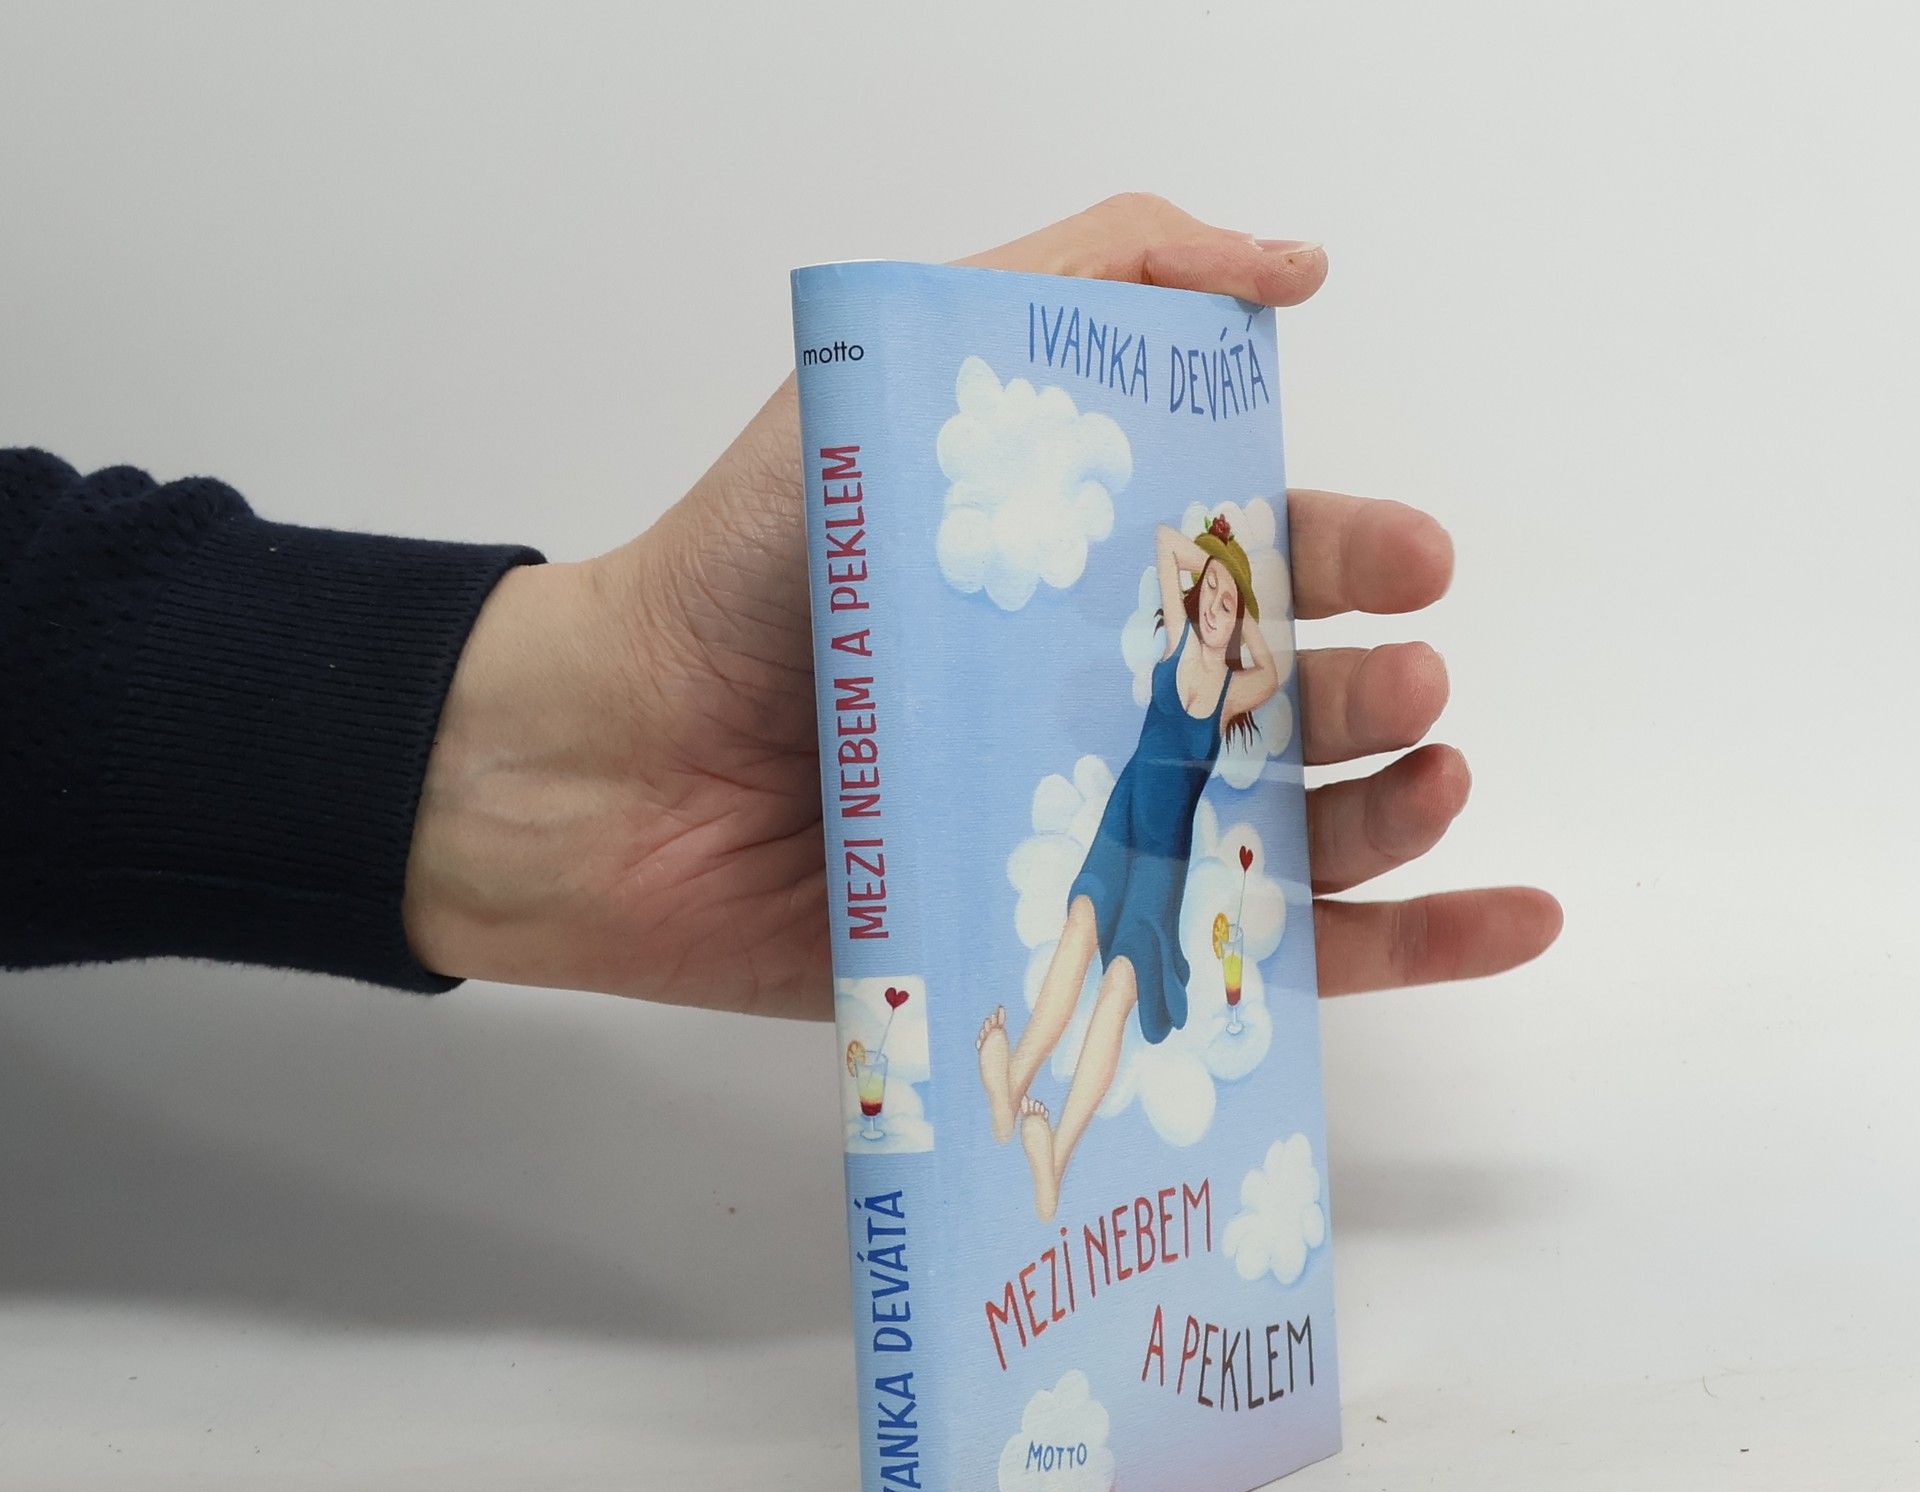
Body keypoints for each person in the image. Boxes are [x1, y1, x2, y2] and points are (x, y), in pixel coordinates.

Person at [0, 196, 1562, 1024]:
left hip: (1138, 840)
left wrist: (562, 734)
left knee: (1111, 998)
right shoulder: (1176, 658)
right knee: (1089, 996)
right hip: (1114, 838)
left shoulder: (1200, 691)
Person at [980, 515, 1281, 1220]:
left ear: (1239, 616)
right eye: (1209, 592)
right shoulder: (1176, 643)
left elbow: (1272, 672)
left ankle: (1056, 1157)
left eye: (1228, 602)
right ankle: (1013, 1081)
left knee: (1118, 986)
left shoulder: (1233, 690)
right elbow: (1166, 541)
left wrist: (1240, 599)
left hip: (1162, 860)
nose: (1215, 606)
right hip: (1122, 822)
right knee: (1079, 928)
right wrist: (1216, 563)